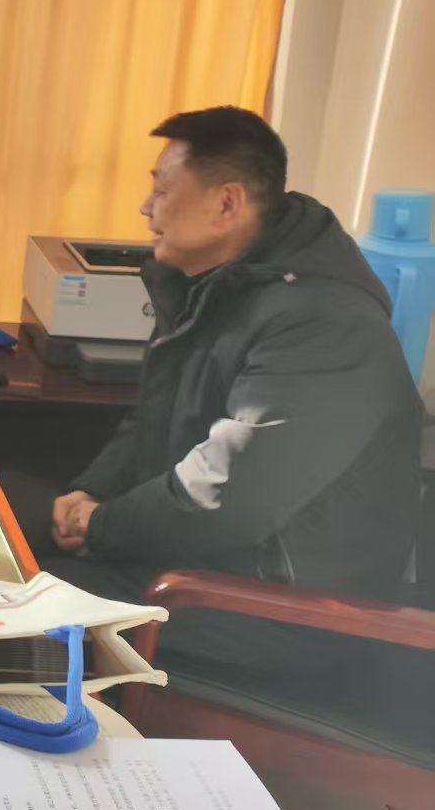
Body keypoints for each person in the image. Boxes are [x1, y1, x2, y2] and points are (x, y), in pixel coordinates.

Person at [43, 106, 422, 672]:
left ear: (226, 204)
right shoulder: (217, 288)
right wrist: (89, 492)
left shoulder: (324, 325)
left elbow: (226, 497)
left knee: (27, 598)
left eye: (161, 191)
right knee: (0, 541)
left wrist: (99, 525)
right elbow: (152, 420)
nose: (146, 208)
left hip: (288, 613)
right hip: (210, 565)